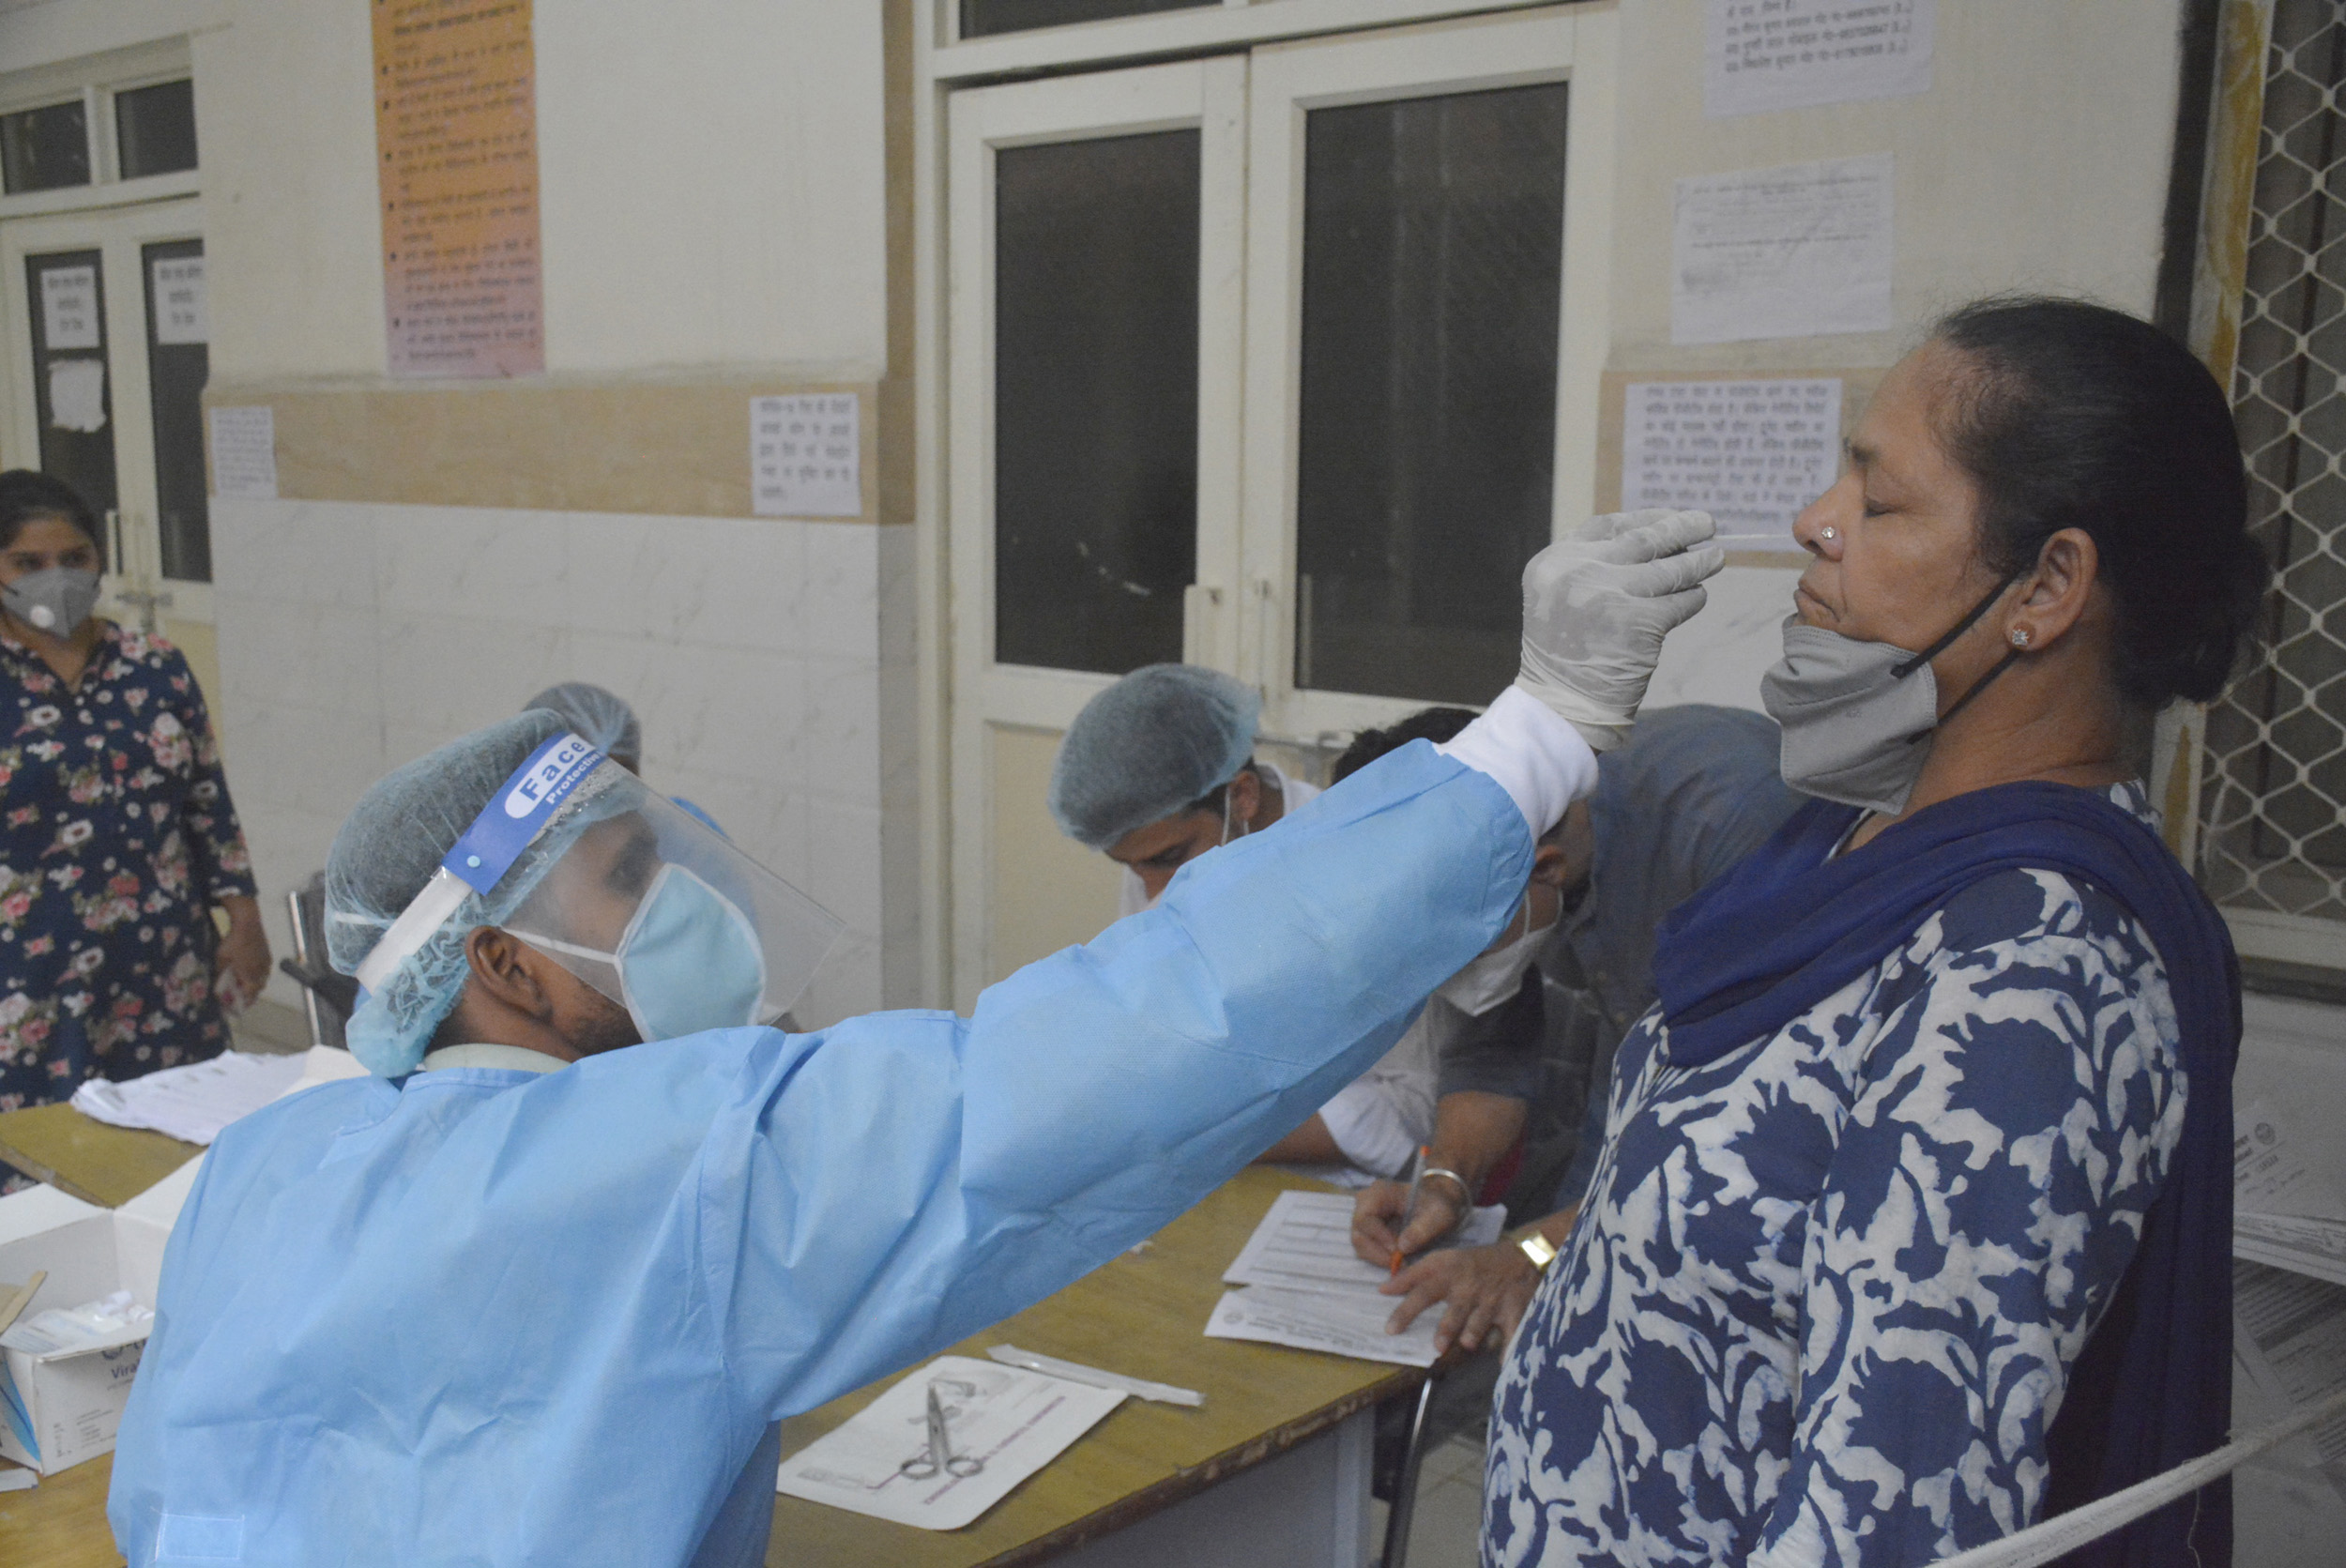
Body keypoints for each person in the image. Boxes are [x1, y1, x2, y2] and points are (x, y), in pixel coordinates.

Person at [107, 510, 1724, 1567]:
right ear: (505, 974)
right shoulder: (665, 1165)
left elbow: (165, 1499)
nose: (683, 896)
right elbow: (1096, 1060)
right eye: (629, 875)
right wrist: (1527, 744)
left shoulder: (264, 1164)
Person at [1483, 299, 2265, 1568]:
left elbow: (1895, 1516)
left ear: (2048, 586)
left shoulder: (2026, 969)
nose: (1815, 518)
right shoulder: (1848, 840)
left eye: (1881, 498)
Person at [1350, 704, 1803, 1355]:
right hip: (1646, 1135)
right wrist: (1446, 1183)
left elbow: (1734, 1132)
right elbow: (1493, 1053)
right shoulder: (1499, 857)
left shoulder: (1728, 826)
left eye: (1464, 955)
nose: (1458, 975)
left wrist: (1533, 1251)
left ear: (1547, 866)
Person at [0, 470, 267, 1119]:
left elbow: (207, 803)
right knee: (45, 1169)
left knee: (175, 1144)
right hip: (28, 978)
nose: (55, 576)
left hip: (162, 964)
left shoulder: (153, 666)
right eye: (28, 563)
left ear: (100, 559)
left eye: (74, 558)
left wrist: (246, 920)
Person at [1048, 663, 1319, 918]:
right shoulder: (1149, 853)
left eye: (1170, 858)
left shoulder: (1329, 846)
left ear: (1241, 796)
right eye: (1133, 869)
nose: (1155, 895)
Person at [522, 679, 724, 835]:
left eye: (617, 783)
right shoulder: (521, 866)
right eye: (584, 789)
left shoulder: (682, 830)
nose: (605, 806)